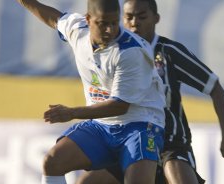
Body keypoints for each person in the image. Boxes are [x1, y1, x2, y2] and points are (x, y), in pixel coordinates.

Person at [76, 0, 224, 184]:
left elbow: (214, 87)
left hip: (169, 144)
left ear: (156, 18)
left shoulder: (169, 52)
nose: (134, 22)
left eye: (142, 16)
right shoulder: (115, 53)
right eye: (129, 17)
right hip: (130, 139)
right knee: (86, 182)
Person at [16, 0, 167, 184]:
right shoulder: (78, 31)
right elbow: (53, 18)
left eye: (114, 23)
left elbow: (119, 106)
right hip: (101, 125)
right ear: (88, 20)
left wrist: (72, 112)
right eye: (103, 23)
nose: (110, 30)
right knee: (53, 162)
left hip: (140, 124)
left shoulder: (131, 51)